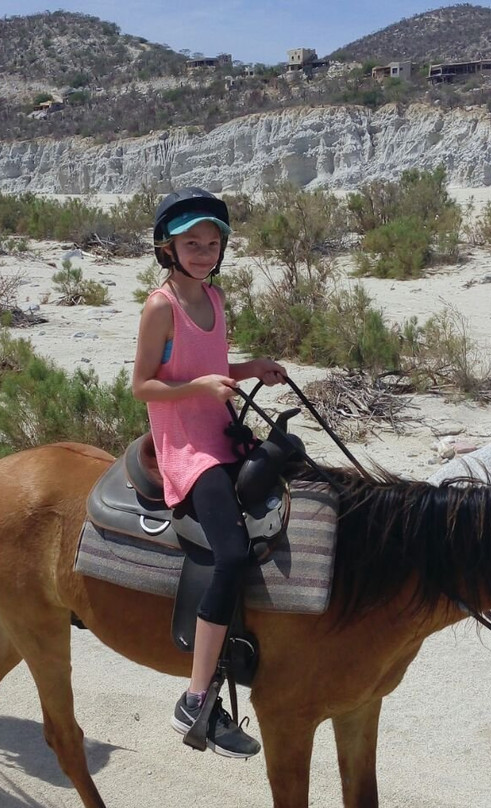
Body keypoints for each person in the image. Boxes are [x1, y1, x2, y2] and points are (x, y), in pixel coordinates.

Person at [132, 187, 286, 759]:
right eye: (191, 243)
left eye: (211, 242)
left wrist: (252, 368)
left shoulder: (216, 300)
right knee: (231, 553)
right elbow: (143, 385)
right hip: (188, 449)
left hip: (223, 432)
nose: (202, 252)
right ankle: (197, 697)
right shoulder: (160, 306)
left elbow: (214, 367)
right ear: (168, 247)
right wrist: (198, 388)